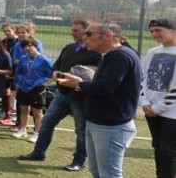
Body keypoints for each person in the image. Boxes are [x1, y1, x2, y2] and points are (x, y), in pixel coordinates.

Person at [56, 21, 141, 178]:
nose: (83, 37)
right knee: (97, 172)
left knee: (109, 174)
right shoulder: (110, 56)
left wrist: (78, 83)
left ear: (108, 36)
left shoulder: (120, 56)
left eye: (88, 34)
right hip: (99, 123)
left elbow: (105, 88)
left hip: (111, 126)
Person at [19, 19, 101, 172]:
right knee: (47, 122)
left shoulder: (95, 52)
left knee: (81, 130)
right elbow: (57, 64)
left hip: (80, 97)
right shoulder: (69, 48)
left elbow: (97, 73)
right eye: (72, 30)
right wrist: (56, 72)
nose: (73, 33)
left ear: (86, 32)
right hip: (62, 94)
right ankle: (39, 152)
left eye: (76, 30)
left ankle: (79, 160)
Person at [142, 18, 176, 178]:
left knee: (169, 151)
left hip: (171, 113)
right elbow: (142, 79)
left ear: (173, 31)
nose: (154, 34)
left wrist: (157, 107)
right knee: (158, 147)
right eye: (152, 31)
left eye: (159, 30)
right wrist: (145, 102)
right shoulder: (152, 52)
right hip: (152, 111)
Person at [13, 38, 53, 143]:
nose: (27, 48)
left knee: (37, 111)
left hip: (37, 88)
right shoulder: (23, 58)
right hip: (23, 87)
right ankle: (22, 130)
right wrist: (20, 83)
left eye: (30, 45)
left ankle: (37, 133)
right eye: (25, 46)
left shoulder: (44, 60)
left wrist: (45, 84)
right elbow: (19, 72)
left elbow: (53, 74)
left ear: (36, 46)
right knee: (23, 109)